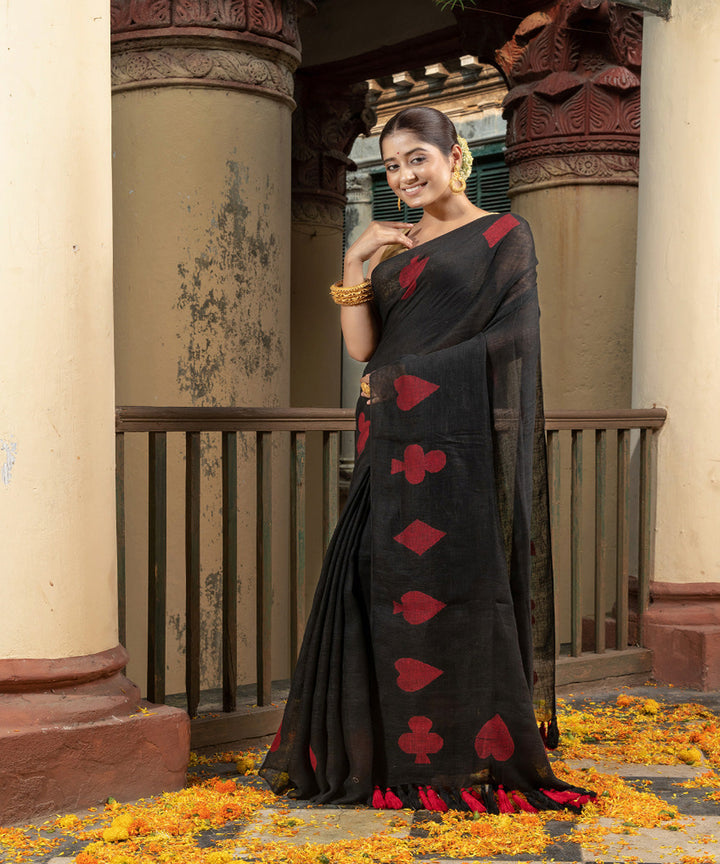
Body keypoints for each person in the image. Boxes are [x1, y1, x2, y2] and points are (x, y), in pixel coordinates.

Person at [260, 106, 593, 814]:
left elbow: (514, 340)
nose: (406, 176)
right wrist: (355, 259)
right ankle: (375, 750)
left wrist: (413, 377)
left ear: (454, 155)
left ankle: (466, 752)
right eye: (391, 167)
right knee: (374, 583)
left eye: (417, 158)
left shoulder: (503, 234)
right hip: (387, 436)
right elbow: (361, 349)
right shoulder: (392, 249)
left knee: (461, 589)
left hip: (455, 443)